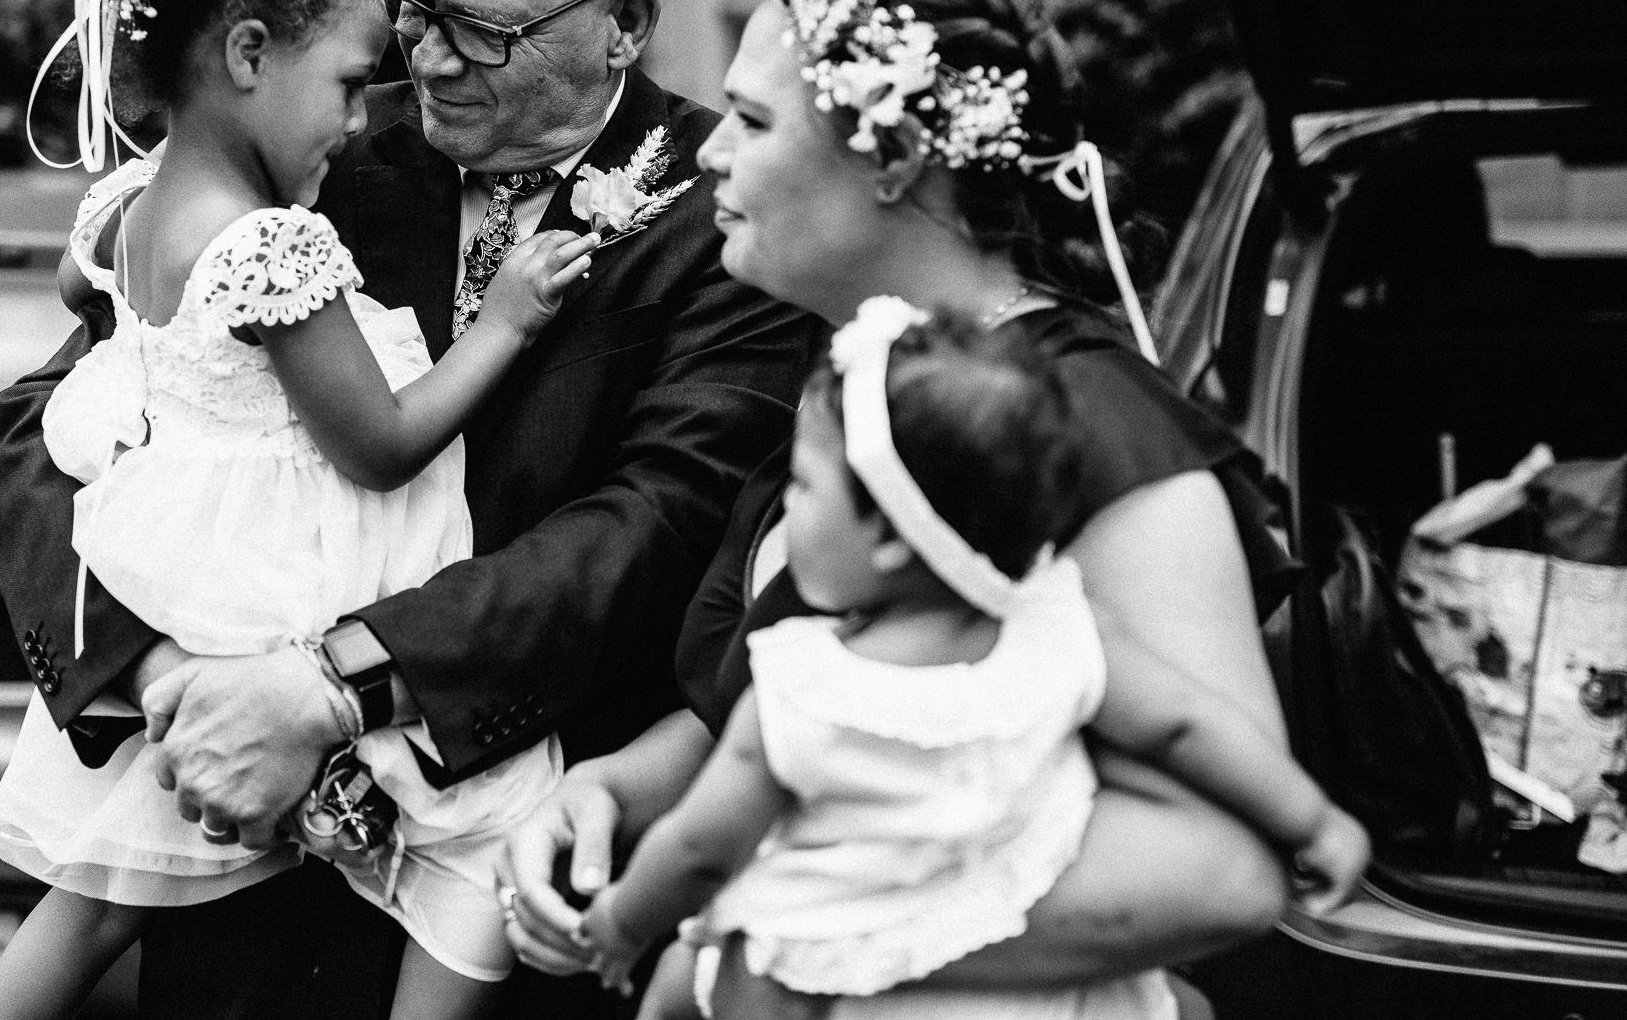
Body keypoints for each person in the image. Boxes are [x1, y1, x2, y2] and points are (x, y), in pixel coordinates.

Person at [0, 0, 819, 1020]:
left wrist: (334, 687)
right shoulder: (306, 168)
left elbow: (654, 530)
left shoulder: (726, 219)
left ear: (624, 25)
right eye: (415, 4)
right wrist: (167, 686)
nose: (422, 60)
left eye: (482, 29)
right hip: (237, 915)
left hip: (517, 920)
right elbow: (34, 436)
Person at [497, 0, 1307, 1014]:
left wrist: (796, 936)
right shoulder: (855, 381)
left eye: (755, 121)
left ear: (889, 160)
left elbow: (1220, 867)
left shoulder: (1100, 432)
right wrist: (614, 792)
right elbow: (817, 696)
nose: (709, 156)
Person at [577, 305, 1369, 1019]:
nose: (788, 508)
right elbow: (1187, 726)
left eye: (805, 486)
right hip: (1050, 991)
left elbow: (699, 847)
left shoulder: (802, 687)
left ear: (891, 535)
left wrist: (620, 921)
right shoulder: (1063, 628)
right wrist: (1314, 819)